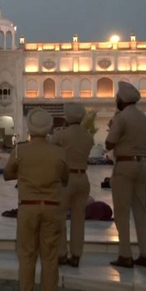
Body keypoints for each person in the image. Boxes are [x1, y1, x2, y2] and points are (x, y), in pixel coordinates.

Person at [4, 108, 68, 291]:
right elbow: (65, 178)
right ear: (49, 127)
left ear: (30, 127)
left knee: (27, 257)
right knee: (50, 258)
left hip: (28, 207)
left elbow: (7, 174)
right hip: (52, 208)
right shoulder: (58, 152)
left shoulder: (21, 150)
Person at [105, 81, 146, 269]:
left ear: (122, 99)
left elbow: (110, 143)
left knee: (122, 211)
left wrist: (112, 126)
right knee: (141, 211)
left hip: (125, 166)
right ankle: (145, 254)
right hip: (141, 165)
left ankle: (125, 255)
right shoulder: (144, 117)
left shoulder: (121, 117)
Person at [51, 103, 94, 268]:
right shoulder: (88, 136)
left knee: (60, 216)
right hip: (83, 178)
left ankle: (61, 253)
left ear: (67, 117)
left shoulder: (62, 135)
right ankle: (76, 255)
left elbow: (51, 146)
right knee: (79, 218)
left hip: (65, 179)